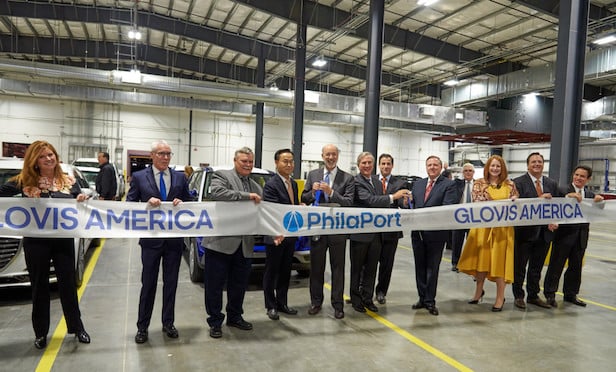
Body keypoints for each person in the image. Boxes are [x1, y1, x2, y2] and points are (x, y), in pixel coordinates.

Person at [0, 140, 90, 349]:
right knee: (39, 288)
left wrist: (82, 197)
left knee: (67, 286)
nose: (48, 158)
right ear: (35, 161)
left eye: (51, 154)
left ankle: (77, 328)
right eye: (43, 156)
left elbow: (79, 198)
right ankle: (40, 333)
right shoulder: (22, 181)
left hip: (63, 241)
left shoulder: (68, 180)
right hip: (36, 243)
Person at [127, 140, 191, 344]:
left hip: (173, 241)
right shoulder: (139, 177)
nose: (165, 157)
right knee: (148, 285)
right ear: (152, 155)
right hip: (151, 241)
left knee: (171, 284)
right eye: (161, 153)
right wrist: (146, 204)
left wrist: (182, 203)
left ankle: (168, 323)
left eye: (168, 154)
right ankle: (142, 327)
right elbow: (129, 204)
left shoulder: (180, 177)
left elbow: (190, 203)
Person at [202, 147, 262, 338]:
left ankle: (235, 316)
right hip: (220, 243)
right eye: (244, 161)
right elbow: (218, 193)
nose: (248, 165)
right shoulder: (222, 175)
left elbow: (264, 213)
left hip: (244, 244)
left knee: (239, 284)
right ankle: (215, 322)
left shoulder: (257, 185)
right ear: (235, 161)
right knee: (215, 285)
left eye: (251, 161)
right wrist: (247, 197)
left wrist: (274, 231)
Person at [458, 155, 519, 311]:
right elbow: (478, 202)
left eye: (498, 166)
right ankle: (478, 292)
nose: (495, 169)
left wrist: (514, 200)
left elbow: (516, 203)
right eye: (492, 166)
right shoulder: (479, 183)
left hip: (502, 230)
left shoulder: (510, 184)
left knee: (499, 262)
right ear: (487, 167)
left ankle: (500, 297)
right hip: (482, 229)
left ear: (502, 168)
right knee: (481, 262)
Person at [350, 152, 409, 313]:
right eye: (364, 163)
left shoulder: (376, 181)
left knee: (371, 269)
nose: (367, 165)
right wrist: (393, 197)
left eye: (370, 163)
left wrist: (402, 201)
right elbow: (370, 200)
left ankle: (368, 298)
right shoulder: (355, 181)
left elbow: (381, 203)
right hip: (361, 233)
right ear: (358, 165)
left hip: (377, 233)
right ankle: (356, 299)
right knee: (357, 269)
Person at [301, 144, 354, 319]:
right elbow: (304, 198)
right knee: (316, 268)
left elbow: (348, 202)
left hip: (337, 230)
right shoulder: (313, 175)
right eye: (327, 154)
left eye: (333, 154)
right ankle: (316, 302)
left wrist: (331, 193)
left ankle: (338, 305)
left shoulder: (347, 178)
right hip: (317, 229)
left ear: (337, 156)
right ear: (322, 156)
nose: (330, 157)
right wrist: (312, 192)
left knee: (338, 269)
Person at [543, 165, 604, 307]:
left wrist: (600, 201)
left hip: (581, 237)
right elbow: (554, 205)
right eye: (576, 175)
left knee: (575, 268)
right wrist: (567, 197)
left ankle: (571, 294)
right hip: (563, 236)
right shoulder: (562, 190)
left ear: (588, 179)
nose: (578, 178)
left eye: (582, 176)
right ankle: (550, 294)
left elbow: (600, 209)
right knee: (556, 266)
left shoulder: (589, 195)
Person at [410, 155, 458, 316]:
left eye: (435, 165)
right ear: (426, 167)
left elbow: (447, 207)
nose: (432, 167)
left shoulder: (449, 185)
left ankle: (430, 300)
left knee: (432, 268)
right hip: (418, 234)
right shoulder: (418, 185)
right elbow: (413, 206)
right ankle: (421, 298)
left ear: (440, 167)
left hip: (436, 234)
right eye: (429, 165)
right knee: (420, 267)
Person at [512, 152, 559, 310]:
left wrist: (555, 220)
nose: (537, 164)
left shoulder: (551, 183)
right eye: (533, 162)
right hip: (525, 233)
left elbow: (557, 205)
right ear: (528, 165)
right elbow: (517, 206)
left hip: (545, 233)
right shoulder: (518, 182)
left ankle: (533, 295)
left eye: (539, 161)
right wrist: (539, 200)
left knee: (536, 267)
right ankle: (518, 295)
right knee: (520, 266)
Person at [262, 149, 299, 320]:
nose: (289, 164)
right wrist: (278, 232)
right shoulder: (271, 184)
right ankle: (270, 306)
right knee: (272, 272)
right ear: (276, 163)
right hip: (276, 236)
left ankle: (282, 303)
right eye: (285, 161)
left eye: (291, 161)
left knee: (286, 271)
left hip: (290, 236)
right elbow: (272, 211)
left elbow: (293, 208)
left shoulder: (294, 184)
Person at [374, 153, 408, 305]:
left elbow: (401, 203)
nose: (385, 166)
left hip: (391, 231)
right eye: (383, 163)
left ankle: (381, 292)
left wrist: (405, 202)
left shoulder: (400, 183)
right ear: (379, 165)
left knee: (386, 265)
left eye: (388, 164)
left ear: (392, 166)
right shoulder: (372, 181)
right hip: (372, 230)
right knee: (367, 264)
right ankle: (363, 291)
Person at [451, 163, 475, 272]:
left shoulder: (478, 184)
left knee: (473, 243)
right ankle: (455, 263)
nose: (468, 173)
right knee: (457, 241)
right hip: (459, 218)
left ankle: (472, 264)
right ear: (463, 173)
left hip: (474, 218)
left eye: (470, 170)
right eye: (466, 171)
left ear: (473, 172)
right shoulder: (457, 184)